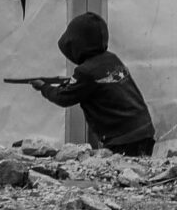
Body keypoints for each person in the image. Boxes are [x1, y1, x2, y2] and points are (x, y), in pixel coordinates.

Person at [26, 11, 154, 156]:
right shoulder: (111, 59)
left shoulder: (85, 72)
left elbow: (63, 97)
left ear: (76, 44)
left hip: (123, 138)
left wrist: (43, 87)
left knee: (120, 167)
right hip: (144, 129)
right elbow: (95, 84)